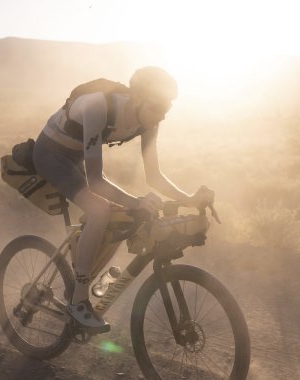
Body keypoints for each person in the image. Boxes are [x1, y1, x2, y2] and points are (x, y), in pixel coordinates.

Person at [33, 66, 214, 333]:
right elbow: (95, 181)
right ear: (137, 97)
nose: (162, 115)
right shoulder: (98, 107)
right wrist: (137, 201)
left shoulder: (150, 118)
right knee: (99, 211)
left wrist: (189, 199)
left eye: (168, 108)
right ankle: (79, 301)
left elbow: (154, 176)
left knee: (124, 216)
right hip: (51, 154)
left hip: (75, 157)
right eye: (157, 106)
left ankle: (85, 271)